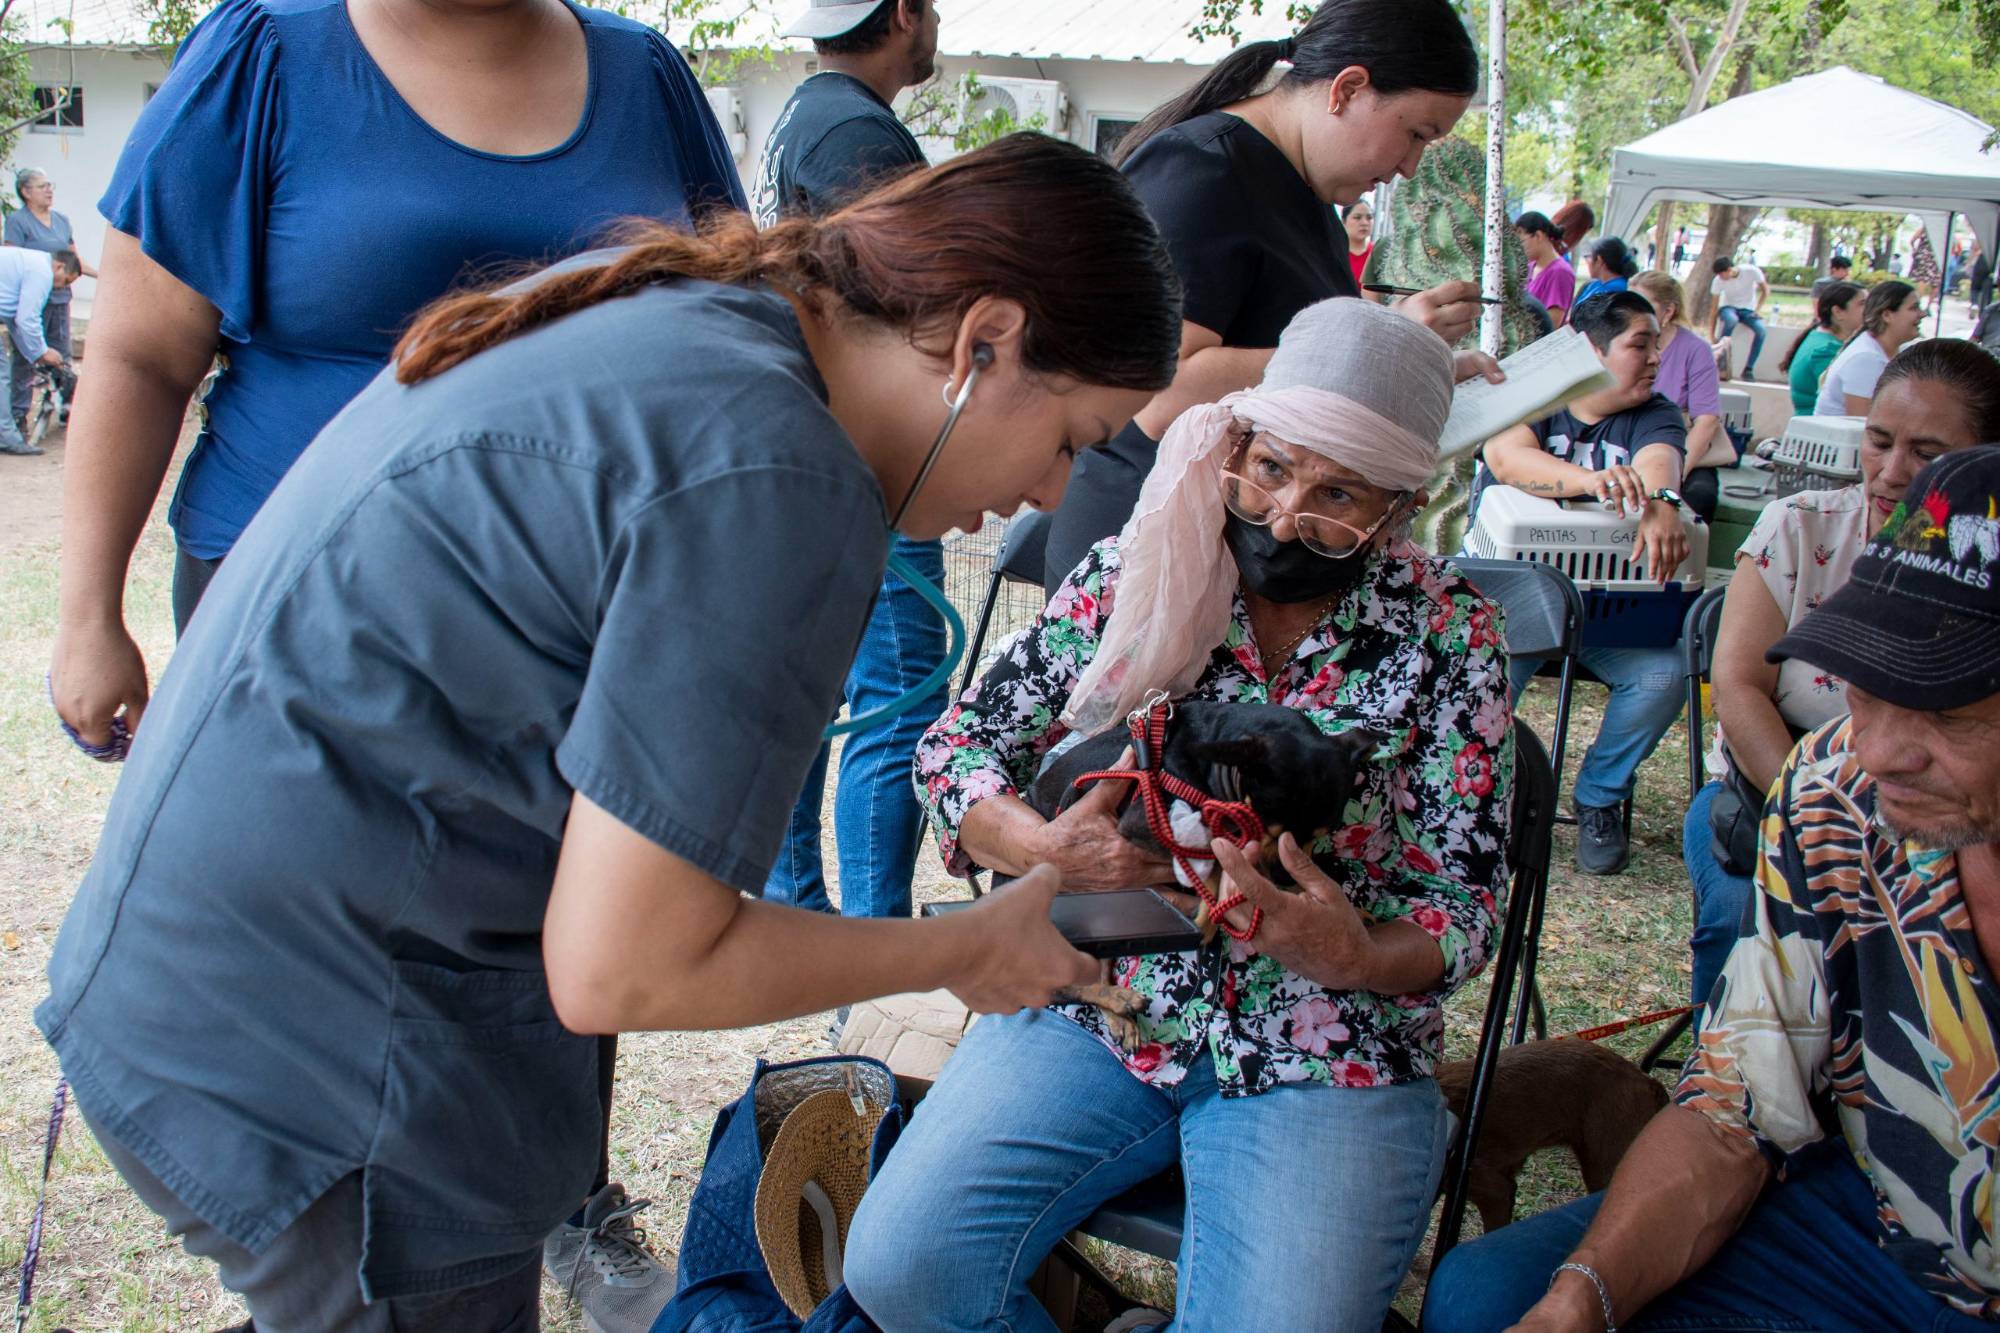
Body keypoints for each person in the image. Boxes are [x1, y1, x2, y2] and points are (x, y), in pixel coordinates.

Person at [34, 135, 1180, 1333]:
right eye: (1071, 440)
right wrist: (959, 947)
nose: (1051, 496)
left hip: (201, 967)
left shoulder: (704, 319)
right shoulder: (777, 469)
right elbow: (630, 962)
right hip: (307, 1050)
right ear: (983, 340)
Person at [844, 297, 1511, 1333]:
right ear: (1234, 443)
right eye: (1270, 468)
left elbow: (1459, 901)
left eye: (1338, 495)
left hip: (1328, 1038)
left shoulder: (1448, 634)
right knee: (903, 1268)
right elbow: (954, 751)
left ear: (1401, 507)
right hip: (1107, 1004)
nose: (1283, 517)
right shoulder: (1143, 566)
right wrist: (1042, 846)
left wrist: (1355, 953)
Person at [47, 0, 745, 744]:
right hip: (301, 614)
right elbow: (142, 357)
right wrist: (89, 616)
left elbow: (735, 330)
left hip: (587, 621)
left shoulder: (646, 74)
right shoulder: (265, 52)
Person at [1423, 447, 2000, 1333]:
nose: (1879, 749)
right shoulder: (1836, 790)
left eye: (1949, 711)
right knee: (1489, 1300)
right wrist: (1580, 1302)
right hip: (1875, 1225)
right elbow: (1736, 1106)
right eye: (1867, 685)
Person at [1041, 0, 1494, 596]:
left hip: (1244, 549)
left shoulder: (1310, 195)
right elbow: (1161, 395)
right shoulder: (1202, 171)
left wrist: (1414, 366)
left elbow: (1293, 369)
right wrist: (1370, 345)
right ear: (1347, 89)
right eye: (1415, 134)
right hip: (1141, 550)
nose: (1410, 166)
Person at [1681, 341, 2000, 1015]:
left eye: (1927, 454)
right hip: (1772, 794)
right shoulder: (1801, 527)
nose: (1891, 471)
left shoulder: (1984, 570)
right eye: (1878, 441)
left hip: (1947, 827)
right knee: (1742, 919)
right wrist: (1817, 820)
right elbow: (1737, 688)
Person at [755, 0, 947, 927]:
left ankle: (802, 918)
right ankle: (870, 943)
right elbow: (908, 310)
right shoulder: (855, 136)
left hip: (819, 448)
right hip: (871, 459)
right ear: (902, 11)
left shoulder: (808, 113)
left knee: (817, 694)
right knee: (899, 700)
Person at [1476, 291, 1690, 875]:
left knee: (1665, 674)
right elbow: (1508, 459)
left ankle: (1599, 797)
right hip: (1513, 607)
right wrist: (1593, 481)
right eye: (1639, 345)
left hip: (1610, 614)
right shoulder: (1535, 398)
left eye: (1657, 345)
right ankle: (1486, 797)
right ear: (1592, 352)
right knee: (1481, 675)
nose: (1655, 359)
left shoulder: (1657, 413)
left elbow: (1660, 464)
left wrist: (1661, 499)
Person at [4, 167, 94, 433]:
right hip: (30, 300)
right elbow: (11, 259)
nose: (49, 190)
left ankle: (65, 412)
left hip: (59, 299)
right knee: (26, 357)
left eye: (49, 185)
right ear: (26, 192)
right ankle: (19, 415)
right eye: (42, 186)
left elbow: (74, 260)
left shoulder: (61, 221)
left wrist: (103, 275)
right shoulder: (18, 221)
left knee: (61, 355)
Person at [1630, 270, 1726, 518]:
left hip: (1682, 449)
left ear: (1668, 311)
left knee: (1699, 496)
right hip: (1631, 446)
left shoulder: (1696, 350)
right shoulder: (1620, 345)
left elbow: (1707, 420)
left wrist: (1674, 472)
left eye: (1642, 305)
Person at [0, 245, 80, 457]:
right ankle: (6, 438)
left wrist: (35, 354)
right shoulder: (42, 273)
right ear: (59, 266)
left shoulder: (31, 262)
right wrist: (43, 352)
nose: (61, 288)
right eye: (66, 281)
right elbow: (27, 318)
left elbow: (16, 320)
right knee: (1, 376)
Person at [1815, 279, 1923, 417]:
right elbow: (1863, 424)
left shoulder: (1895, 350)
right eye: (1914, 308)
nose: (1923, 314)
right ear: (1887, 315)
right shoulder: (1866, 359)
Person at [1779, 278, 1865, 415]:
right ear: (1838, 312)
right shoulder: (1826, 350)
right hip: (1817, 425)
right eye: (1862, 304)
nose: (1870, 310)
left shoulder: (1817, 337)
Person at [1705, 254, 1769, 381]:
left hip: (1748, 309)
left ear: (1729, 270)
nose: (1720, 278)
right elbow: (1714, 308)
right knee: (1731, 320)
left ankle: (1749, 368)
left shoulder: (1751, 271)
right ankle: (1719, 359)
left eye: (1722, 274)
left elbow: (1765, 290)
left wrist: (1757, 310)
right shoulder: (1718, 281)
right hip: (1728, 307)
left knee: (1761, 330)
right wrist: (1711, 334)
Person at [1517, 209, 1577, 327]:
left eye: (1521, 242)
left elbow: (1552, 323)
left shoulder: (1560, 272)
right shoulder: (1530, 267)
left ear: (1538, 236)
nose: (1518, 248)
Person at [1573, 235, 1637, 305]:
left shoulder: (1614, 291)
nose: (1587, 262)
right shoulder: (1596, 284)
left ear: (1599, 261)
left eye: (1588, 257)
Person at [1344, 196, 1374, 284]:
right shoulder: (1334, 252)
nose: (1364, 223)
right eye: (1357, 217)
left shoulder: (1377, 253)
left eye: (1369, 217)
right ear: (1344, 221)